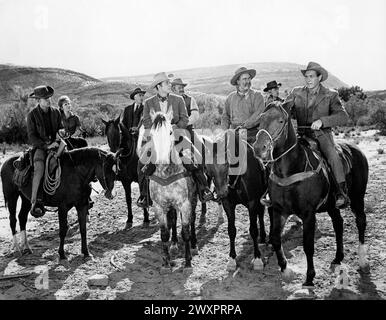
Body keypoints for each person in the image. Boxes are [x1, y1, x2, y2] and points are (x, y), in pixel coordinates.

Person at [136, 72, 214, 208]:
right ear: (159, 86)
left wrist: (175, 126)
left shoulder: (178, 100)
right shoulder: (148, 103)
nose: (169, 85)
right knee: (141, 163)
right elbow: (146, 122)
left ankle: (204, 188)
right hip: (158, 140)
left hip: (177, 136)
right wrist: (159, 129)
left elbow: (184, 118)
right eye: (166, 83)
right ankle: (144, 196)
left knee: (195, 156)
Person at [284, 61, 350, 209]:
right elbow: (285, 108)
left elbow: (343, 117)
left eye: (311, 76)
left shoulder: (331, 95)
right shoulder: (296, 92)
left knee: (332, 156)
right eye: (306, 76)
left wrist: (323, 121)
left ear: (319, 78)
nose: (308, 79)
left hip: (322, 136)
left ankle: (340, 192)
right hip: (301, 135)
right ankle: (273, 191)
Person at [27, 85, 66, 217]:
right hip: (41, 147)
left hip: (57, 144)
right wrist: (46, 146)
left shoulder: (56, 112)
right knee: (39, 168)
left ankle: (83, 192)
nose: (49, 100)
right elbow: (32, 137)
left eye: (49, 97)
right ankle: (36, 201)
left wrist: (61, 131)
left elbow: (60, 127)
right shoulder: (32, 115)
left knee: (72, 158)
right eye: (45, 98)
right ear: (38, 100)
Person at [221, 67, 265, 142]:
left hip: (252, 135)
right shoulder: (230, 98)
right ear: (238, 81)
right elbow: (225, 117)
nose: (248, 81)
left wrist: (243, 127)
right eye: (244, 79)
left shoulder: (258, 96)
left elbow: (258, 114)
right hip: (233, 134)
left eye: (249, 78)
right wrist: (225, 132)